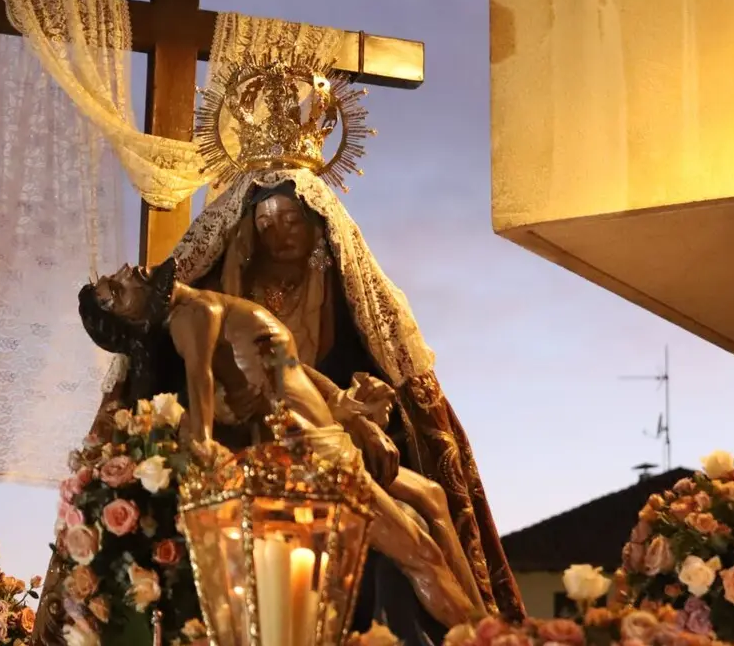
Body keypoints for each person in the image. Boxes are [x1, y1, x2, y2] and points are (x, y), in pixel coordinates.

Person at [88, 167, 525, 642]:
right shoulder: (196, 315)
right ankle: (490, 637)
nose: (127, 272)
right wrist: (212, 455)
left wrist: (347, 408)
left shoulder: (207, 305)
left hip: (328, 436)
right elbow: (202, 410)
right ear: (132, 318)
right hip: (312, 454)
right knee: (418, 552)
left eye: (291, 220)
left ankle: (487, 622)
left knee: (432, 499)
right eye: (116, 290)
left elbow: (288, 365)